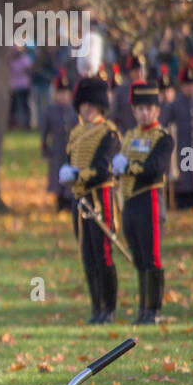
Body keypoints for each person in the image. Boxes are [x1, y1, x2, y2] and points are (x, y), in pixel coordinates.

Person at [60, 76, 121, 324]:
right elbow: (70, 159)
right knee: (87, 255)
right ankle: (96, 307)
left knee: (103, 253)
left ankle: (109, 308)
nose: (86, 109)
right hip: (79, 198)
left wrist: (78, 175)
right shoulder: (75, 133)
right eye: (83, 105)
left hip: (99, 197)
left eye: (91, 105)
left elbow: (104, 169)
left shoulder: (109, 132)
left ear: (99, 106)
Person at [112, 81, 173, 325]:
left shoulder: (163, 138)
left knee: (152, 257)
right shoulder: (129, 136)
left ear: (157, 110)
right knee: (137, 256)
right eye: (140, 108)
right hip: (130, 202)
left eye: (149, 108)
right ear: (133, 111)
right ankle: (143, 309)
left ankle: (154, 309)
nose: (144, 113)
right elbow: (121, 163)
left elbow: (155, 168)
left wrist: (129, 167)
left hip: (150, 200)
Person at [162, 62, 193, 209]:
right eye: (186, 84)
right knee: (185, 175)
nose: (190, 88)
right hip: (182, 147)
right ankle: (184, 198)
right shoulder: (176, 104)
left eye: (192, 84)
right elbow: (166, 121)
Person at [40, 72, 78, 211]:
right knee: (57, 175)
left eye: (65, 92)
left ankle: (69, 200)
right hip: (57, 148)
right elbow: (45, 131)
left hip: (71, 149)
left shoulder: (74, 110)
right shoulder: (50, 110)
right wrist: (44, 148)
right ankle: (59, 200)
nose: (63, 96)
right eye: (60, 93)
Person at [110, 55, 143, 134]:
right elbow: (114, 114)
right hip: (126, 133)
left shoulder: (147, 89)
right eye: (135, 71)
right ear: (130, 72)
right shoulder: (121, 91)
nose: (139, 74)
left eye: (140, 70)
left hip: (143, 134)